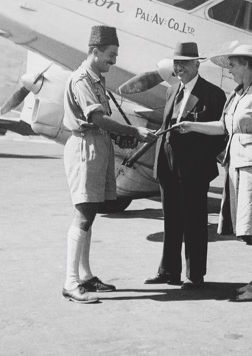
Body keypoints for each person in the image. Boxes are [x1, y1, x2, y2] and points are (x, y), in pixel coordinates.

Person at [176, 44, 252, 301]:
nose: (230, 70)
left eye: (233, 65)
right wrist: (192, 125)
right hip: (238, 166)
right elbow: (224, 127)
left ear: (247, 64)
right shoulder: (238, 93)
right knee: (249, 224)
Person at [62, 25, 157, 303]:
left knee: (90, 211)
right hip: (85, 145)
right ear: (95, 51)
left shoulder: (96, 80)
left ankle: (86, 276)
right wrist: (134, 132)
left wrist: (118, 137)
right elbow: (97, 120)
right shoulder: (81, 80)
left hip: (97, 144)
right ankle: (70, 282)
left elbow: (103, 125)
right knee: (84, 211)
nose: (114, 61)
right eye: (110, 55)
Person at [144, 42, 226, 290]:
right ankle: (168, 271)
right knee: (171, 220)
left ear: (196, 64)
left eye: (184, 64)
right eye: (176, 63)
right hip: (168, 167)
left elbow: (221, 135)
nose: (178, 68)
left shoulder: (213, 94)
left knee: (195, 222)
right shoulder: (171, 91)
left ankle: (194, 274)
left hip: (194, 170)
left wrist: (199, 160)